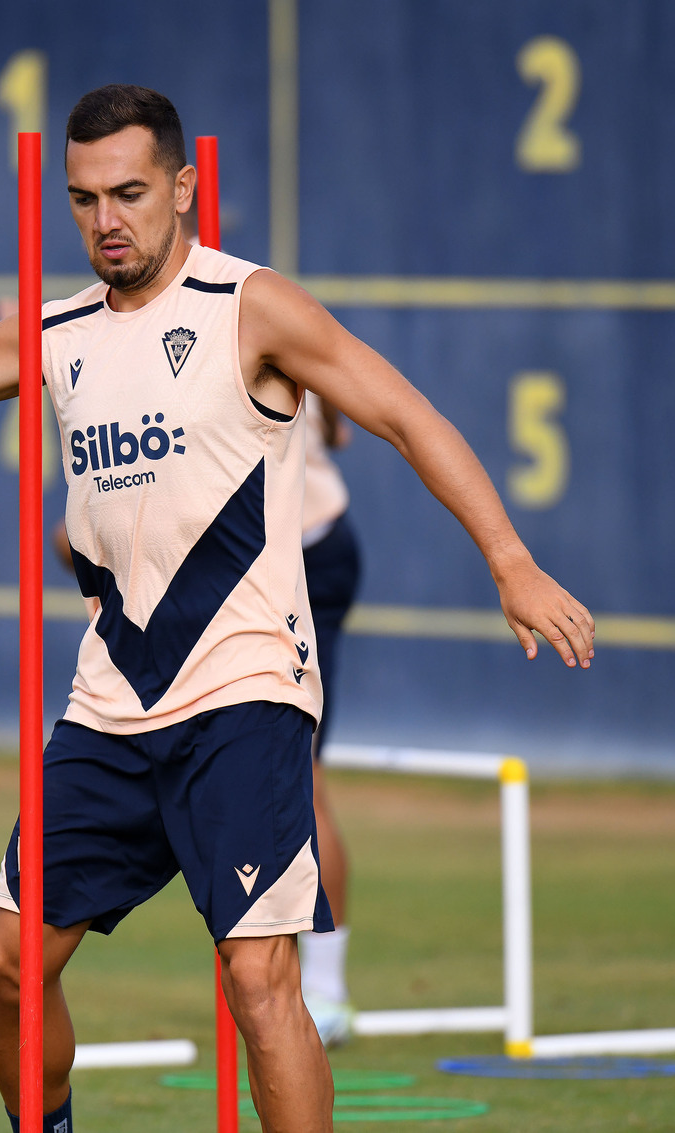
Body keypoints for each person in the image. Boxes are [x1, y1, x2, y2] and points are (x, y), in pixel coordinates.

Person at [0, 86, 594, 1133]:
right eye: (84, 198)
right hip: (112, 701)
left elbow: (405, 416)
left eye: (128, 193)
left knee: (258, 979)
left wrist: (510, 559)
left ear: (182, 187)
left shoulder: (251, 306)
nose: (106, 220)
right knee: (6, 965)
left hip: (245, 688)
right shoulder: (55, 328)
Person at [294, 391, 361, 1047]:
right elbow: (340, 430)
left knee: (300, 772)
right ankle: (305, 981)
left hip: (304, 554)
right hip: (285, 551)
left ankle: (326, 989)